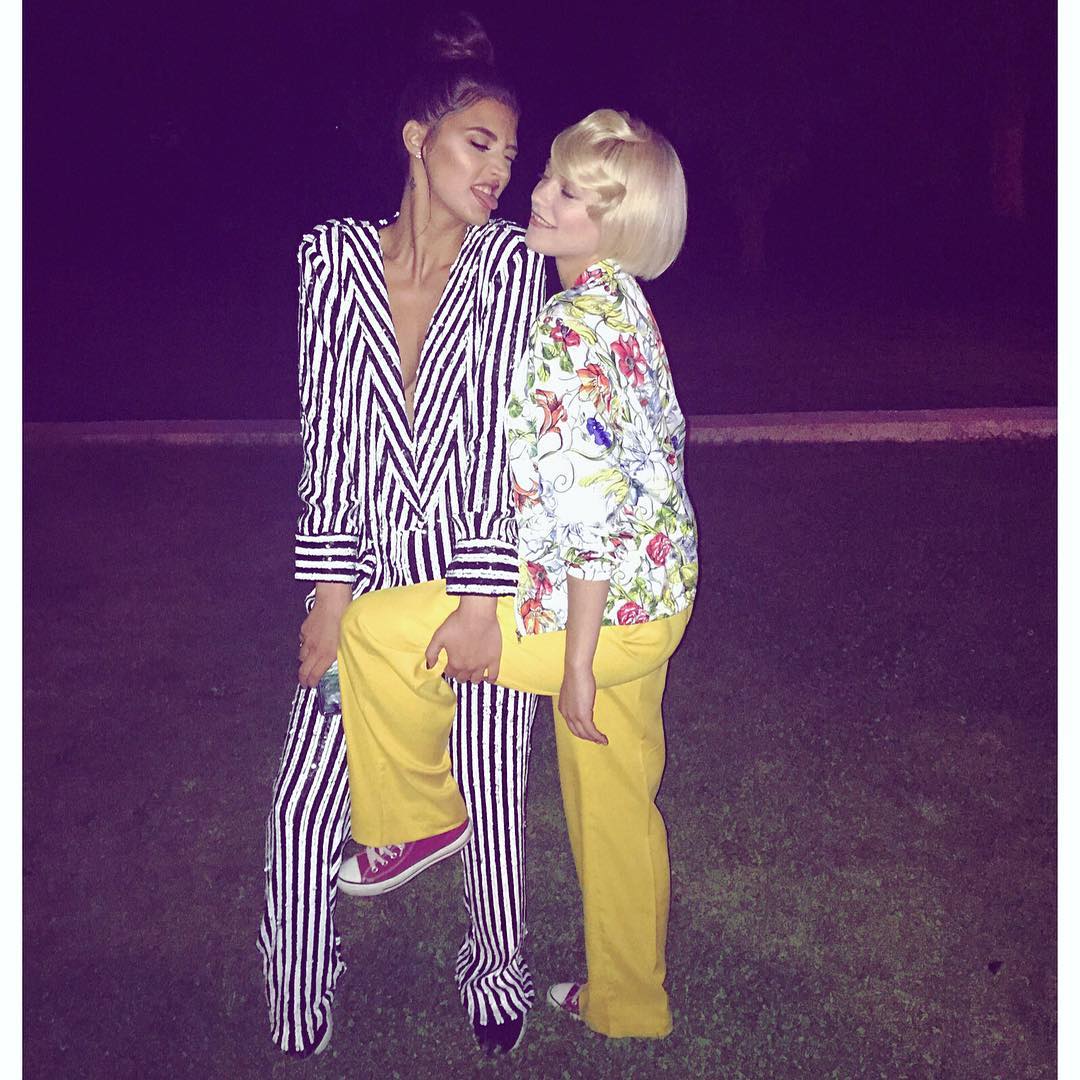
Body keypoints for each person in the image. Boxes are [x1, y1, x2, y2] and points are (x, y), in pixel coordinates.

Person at [336, 108, 697, 1042]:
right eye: (549, 177)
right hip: (659, 595)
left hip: (601, 614)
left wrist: (574, 661)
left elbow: (588, 510)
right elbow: (655, 452)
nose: (538, 195)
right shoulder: (623, 303)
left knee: (375, 632)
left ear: (613, 223)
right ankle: (629, 1001)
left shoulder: (567, 329)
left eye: (569, 193)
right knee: (617, 804)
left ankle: (420, 817)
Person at [257, 12, 547, 1058]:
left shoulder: (509, 265)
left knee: (491, 786)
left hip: (475, 576)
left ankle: (496, 970)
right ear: (419, 138)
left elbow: (505, 444)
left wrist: (479, 601)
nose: (501, 170)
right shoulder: (333, 261)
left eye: (510, 153)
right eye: (481, 143)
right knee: (302, 800)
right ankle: (298, 989)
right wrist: (328, 603)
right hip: (369, 580)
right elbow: (329, 434)